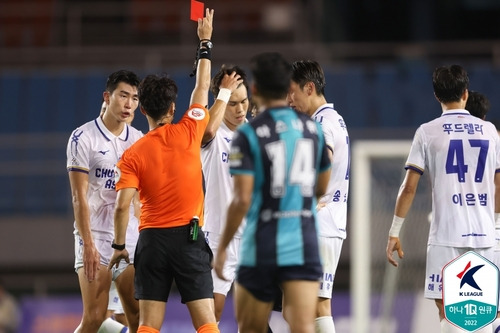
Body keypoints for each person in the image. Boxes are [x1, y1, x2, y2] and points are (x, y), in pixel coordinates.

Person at [108, 9, 242, 333]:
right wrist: (205, 41)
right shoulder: (190, 130)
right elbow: (202, 86)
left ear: (142, 110)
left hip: (151, 241)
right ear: (172, 108)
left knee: (149, 324)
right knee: (207, 322)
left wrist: (118, 246)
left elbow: (123, 205)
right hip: (189, 237)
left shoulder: (131, 154)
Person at [213, 52, 332, 333]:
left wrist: (221, 249)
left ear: (254, 91)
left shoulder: (248, 134)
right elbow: (322, 187)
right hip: (302, 241)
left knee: (250, 327)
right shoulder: (313, 130)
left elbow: (242, 199)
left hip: (261, 244)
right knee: (303, 326)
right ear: (287, 89)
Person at [386, 65, 500, 333]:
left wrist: (394, 231)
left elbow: (409, 188)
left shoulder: (427, 132)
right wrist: (495, 222)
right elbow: (498, 183)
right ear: (465, 93)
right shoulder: (489, 132)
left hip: (445, 236)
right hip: (484, 235)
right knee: (479, 317)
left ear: (437, 96)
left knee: (449, 314)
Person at [66, 69, 142, 333]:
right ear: (107, 97)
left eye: (134, 97)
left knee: (138, 317)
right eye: (123, 96)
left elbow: (140, 199)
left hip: (129, 236)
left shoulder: (137, 139)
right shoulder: (82, 137)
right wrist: (87, 243)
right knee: (95, 317)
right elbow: (78, 197)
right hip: (96, 236)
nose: (129, 104)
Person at [288, 59, 350, 333]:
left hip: (320, 224)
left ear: (309, 88)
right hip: (327, 224)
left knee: (316, 305)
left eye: (293, 92)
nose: (290, 99)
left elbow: (323, 157)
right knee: (308, 306)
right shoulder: (333, 118)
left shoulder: (321, 123)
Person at [201, 64, 249, 324]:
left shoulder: (256, 134)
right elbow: (206, 131)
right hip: (219, 237)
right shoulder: (212, 133)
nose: (240, 109)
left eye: (243, 101)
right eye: (232, 103)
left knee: (251, 317)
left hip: (252, 236)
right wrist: (223, 94)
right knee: (212, 316)